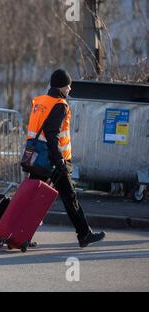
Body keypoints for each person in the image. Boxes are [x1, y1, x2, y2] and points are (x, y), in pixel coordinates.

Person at [26, 69, 106, 248]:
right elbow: (52, 135)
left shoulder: (40, 102)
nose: (70, 88)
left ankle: (19, 234)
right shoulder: (60, 104)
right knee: (70, 198)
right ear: (62, 87)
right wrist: (59, 161)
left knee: (32, 198)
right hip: (53, 160)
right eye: (68, 85)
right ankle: (84, 234)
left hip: (37, 156)